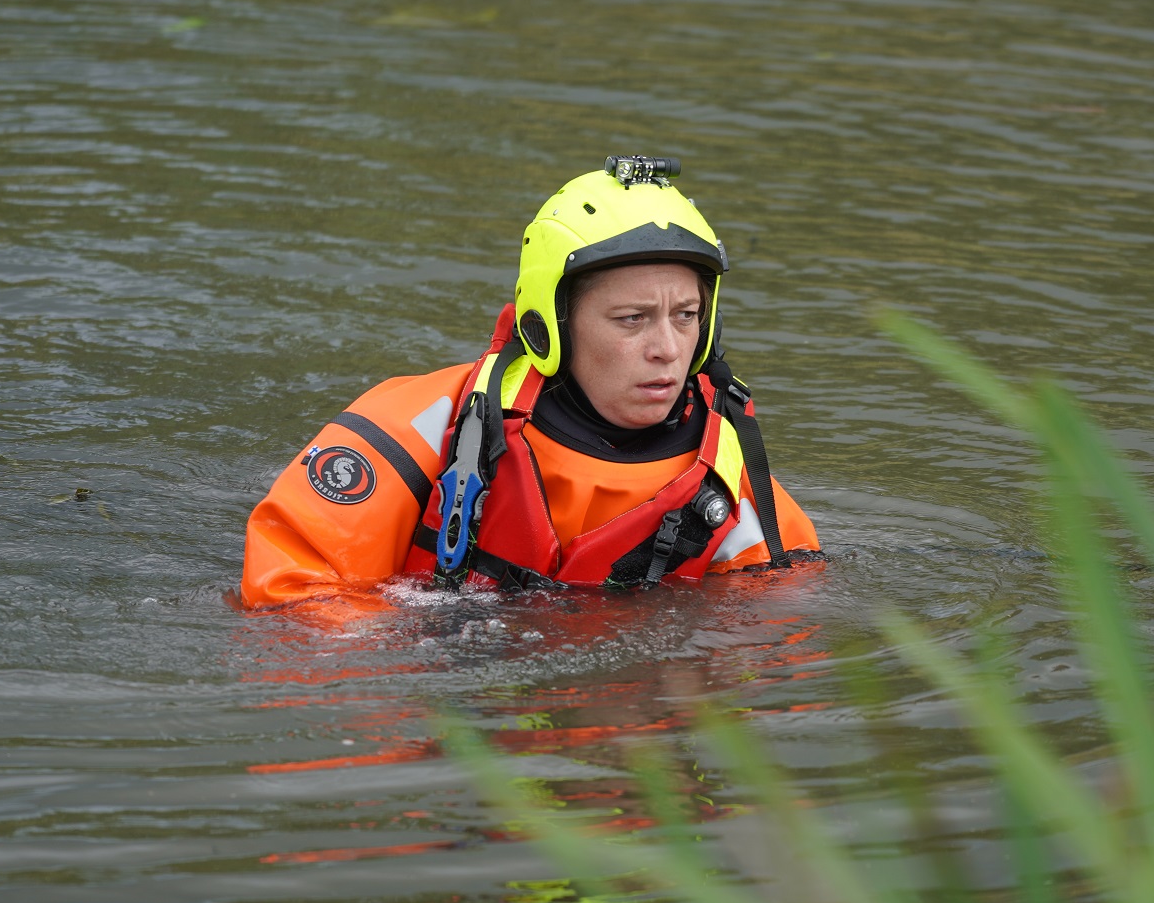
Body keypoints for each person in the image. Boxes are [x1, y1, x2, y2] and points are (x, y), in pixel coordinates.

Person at [241, 156, 820, 612]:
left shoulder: (735, 484)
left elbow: (779, 651)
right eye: (632, 319)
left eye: (687, 316)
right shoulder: (422, 424)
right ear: (551, 325)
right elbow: (286, 593)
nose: (667, 348)